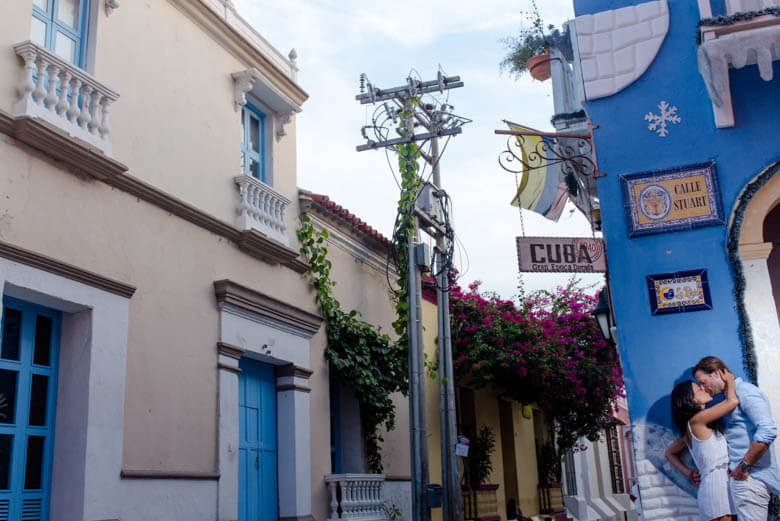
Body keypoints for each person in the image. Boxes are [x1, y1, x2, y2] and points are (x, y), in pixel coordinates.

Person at [693, 356, 780, 521]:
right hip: (746, 479)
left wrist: (744, 465)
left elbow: (767, 430)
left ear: (717, 373)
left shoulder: (745, 392)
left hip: (750, 478)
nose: (703, 388)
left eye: (703, 382)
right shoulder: (729, 399)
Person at [666, 369, 738, 521]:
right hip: (717, 486)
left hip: (716, 484)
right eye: (699, 388)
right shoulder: (697, 421)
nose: (703, 388)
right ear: (691, 400)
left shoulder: (691, 426)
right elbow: (732, 401)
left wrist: (689, 473)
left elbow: (669, 453)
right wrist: (730, 380)